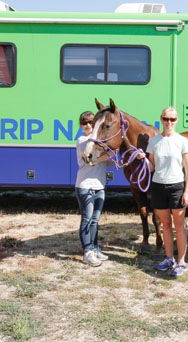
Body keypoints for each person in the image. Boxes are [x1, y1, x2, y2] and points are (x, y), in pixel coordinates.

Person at [137, 107, 188, 277]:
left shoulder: (182, 141)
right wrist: (144, 159)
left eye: (172, 119)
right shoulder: (154, 142)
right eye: (166, 118)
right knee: (165, 225)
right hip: (158, 187)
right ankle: (169, 258)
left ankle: (181, 261)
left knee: (179, 226)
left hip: (176, 186)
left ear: (176, 121)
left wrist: (187, 191)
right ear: (161, 119)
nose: (169, 122)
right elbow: (153, 167)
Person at [76, 111, 111, 267]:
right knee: (87, 219)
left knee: (95, 221)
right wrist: (110, 154)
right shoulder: (83, 140)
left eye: (90, 122)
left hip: (99, 186)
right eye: (84, 123)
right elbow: (90, 160)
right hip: (85, 186)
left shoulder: (98, 142)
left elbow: (105, 162)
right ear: (81, 125)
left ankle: (95, 248)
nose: (88, 125)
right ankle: (87, 252)